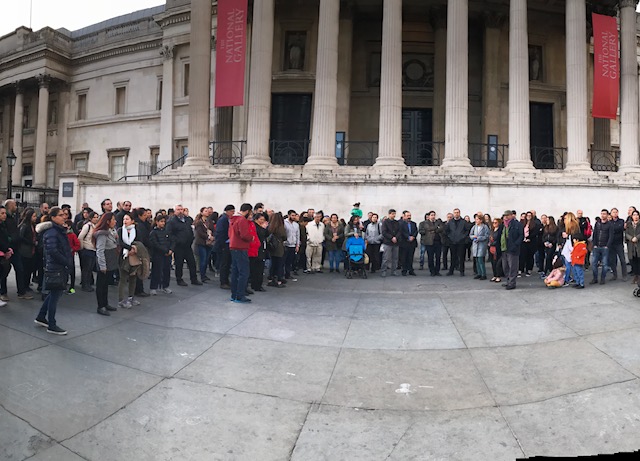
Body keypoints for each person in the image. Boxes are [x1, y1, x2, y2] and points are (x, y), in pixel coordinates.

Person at [34, 207, 73, 335]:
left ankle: (41, 316)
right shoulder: (52, 232)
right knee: (55, 295)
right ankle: (52, 324)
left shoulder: (59, 230)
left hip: (58, 266)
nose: (64, 217)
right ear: (53, 217)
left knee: (54, 294)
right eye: (61, 215)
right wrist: (66, 261)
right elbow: (52, 251)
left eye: (64, 215)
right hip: (55, 268)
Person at [2, 199, 32, 300]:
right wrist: (10, 240)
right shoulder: (4, 220)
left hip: (15, 248)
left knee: (20, 269)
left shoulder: (13, 217)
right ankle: (3, 292)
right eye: (15, 205)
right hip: (7, 248)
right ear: (10, 206)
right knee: (4, 271)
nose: (16, 206)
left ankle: (21, 291)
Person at [167, 204, 202, 286]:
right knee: (179, 264)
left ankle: (194, 279)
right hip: (179, 246)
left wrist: (191, 238)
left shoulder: (187, 220)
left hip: (188, 245)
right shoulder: (172, 221)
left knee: (192, 263)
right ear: (175, 211)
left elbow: (190, 230)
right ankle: (179, 279)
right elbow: (169, 233)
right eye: (178, 209)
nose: (180, 211)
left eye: (181, 209)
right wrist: (176, 241)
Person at [229, 203, 254, 303]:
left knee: (235, 272)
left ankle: (234, 294)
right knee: (244, 272)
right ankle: (240, 295)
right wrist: (251, 237)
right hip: (241, 247)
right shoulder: (242, 220)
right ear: (247, 211)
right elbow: (244, 235)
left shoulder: (234, 219)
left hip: (233, 246)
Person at [117, 213, 140, 308]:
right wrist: (130, 248)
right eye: (124, 219)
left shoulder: (136, 230)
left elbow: (139, 242)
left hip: (134, 256)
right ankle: (121, 299)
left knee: (133, 278)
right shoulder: (120, 230)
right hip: (123, 256)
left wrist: (134, 249)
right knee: (123, 278)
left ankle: (131, 297)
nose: (125, 221)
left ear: (132, 220)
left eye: (127, 219)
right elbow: (120, 242)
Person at [149, 214, 173, 295]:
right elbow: (155, 244)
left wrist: (171, 250)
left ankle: (165, 286)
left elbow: (172, 241)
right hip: (158, 255)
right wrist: (165, 250)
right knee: (156, 271)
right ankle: (153, 287)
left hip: (167, 255)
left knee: (166, 271)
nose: (163, 223)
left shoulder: (166, 232)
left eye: (164, 222)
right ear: (157, 222)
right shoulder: (153, 232)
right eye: (161, 221)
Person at [561, 212, 586, 289]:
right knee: (573, 266)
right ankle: (577, 281)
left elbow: (577, 236)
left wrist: (568, 236)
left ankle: (579, 282)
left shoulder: (574, 226)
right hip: (571, 246)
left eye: (565, 218)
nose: (564, 220)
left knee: (575, 266)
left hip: (574, 247)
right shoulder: (571, 226)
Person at [500, 210, 524, 290]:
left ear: (511, 216)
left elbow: (521, 236)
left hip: (513, 249)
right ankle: (508, 281)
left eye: (507, 215)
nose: (506, 217)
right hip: (504, 248)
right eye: (505, 216)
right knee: (505, 266)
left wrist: (515, 245)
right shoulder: (503, 225)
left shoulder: (517, 224)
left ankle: (512, 283)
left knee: (513, 267)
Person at [590, 209, 613, 285]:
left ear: (607, 215)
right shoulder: (598, 223)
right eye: (602, 214)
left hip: (605, 247)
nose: (603, 215)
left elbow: (611, 236)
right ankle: (595, 278)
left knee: (605, 264)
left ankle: (602, 278)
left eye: (604, 214)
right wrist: (594, 244)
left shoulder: (610, 224)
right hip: (597, 247)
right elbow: (595, 234)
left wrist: (607, 246)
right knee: (593, 263)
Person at [214, 205, 235, 289]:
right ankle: (223, 282)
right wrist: (222, 244)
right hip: (223, 244)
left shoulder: (228, 219)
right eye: (232, 211)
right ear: (228, 211)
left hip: (228, 244)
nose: (233, 213)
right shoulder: (223, 220)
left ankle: (226, 280)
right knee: (224, 264)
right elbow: (220, 233)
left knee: (227, 263)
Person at [18, 208, 38, 294]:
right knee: (25, 269)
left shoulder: (32, 225)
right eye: (33, 216)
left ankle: (27, 284)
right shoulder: (25, 226)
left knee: (29, 268)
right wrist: (31, 243)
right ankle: (24, 285)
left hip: (31, 250)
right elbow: (21, 237)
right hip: (25, 250)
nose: (35, 218)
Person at [78, 211, 99, 292]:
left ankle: (88, 283)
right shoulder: (87, 226)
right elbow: (80, 237)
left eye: (97, 217)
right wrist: (82, 247)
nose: (96, 219)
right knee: (86, 268)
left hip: (94, 249)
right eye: (94, 217)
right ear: (90, 218)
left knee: (90, 268)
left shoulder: (96, 226)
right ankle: (85, 284)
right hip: (87, 249)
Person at [445, 208, 469, 276]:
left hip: (461, 242)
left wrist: (463, 237)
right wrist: (450, 237)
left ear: (459, 213)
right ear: (453, 213)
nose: (456, 214)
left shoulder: (464, 222)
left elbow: (467, 231)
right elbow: (447, 231)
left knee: (461, 257)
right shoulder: (450, 222)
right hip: (452, 242)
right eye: (455, 212)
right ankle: (451, 271)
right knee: (453, 257)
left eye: (457, 212)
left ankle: (462, 271)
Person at [419, 211, 444, 276]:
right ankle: (432, 271)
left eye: (434, 215)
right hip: (429, 242)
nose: (433, 216)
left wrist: (431, 230)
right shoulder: (424, 223)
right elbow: (421, 231)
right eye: (431, 215)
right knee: (430, 257)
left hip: (438, 242)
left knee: (438, 257)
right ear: (429, 216)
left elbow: (441, 228)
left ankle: (437, 271)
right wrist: (434, 229)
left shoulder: (438, 222)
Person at [194, 209, 215, 283]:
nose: (207, 212)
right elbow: (199, 233)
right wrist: (208, 236)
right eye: (205, 211)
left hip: (209, 243)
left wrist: (212, 236)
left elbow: (213, 229)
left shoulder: (209, 221)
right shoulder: (199, 222)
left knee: (206, 259)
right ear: (201, 212)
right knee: (203, 259)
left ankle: (204, 274)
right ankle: (202, 276)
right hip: (201, 243)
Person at [249, 212, 268, 292]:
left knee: (259, 268)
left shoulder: (260, 226)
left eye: (263, 220)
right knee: (256, 269)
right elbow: (260, 235)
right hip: (256, 249)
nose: (262, 221)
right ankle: (256, 285)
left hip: (261, 249)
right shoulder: (255, 226)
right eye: (261, 219)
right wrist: (263, 228)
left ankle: (257, 284)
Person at [267, 212, 287, 287]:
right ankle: (279, 280)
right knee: (279, 264)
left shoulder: (270, 227)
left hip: (272, 247)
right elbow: (284, 237)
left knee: (272, 264)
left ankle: (271, 279)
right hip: (279, 247)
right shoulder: (280, 227)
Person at [609, 208, 628, 281]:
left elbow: (620, 228)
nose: (615, 213)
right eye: (613, 212)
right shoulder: (609, 222)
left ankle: (624, 275)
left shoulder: (621, 221)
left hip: (619, 243)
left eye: (616, 212)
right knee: (612, 260)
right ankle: (614, 275)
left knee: (622, 260)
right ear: (611, 213)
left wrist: (615, 229)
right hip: (611, 243)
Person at [380, 209, 400, 277]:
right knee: (386, 258)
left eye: (394, 214)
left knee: (395, 258)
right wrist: (391, 237)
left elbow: (399, 231)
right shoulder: (385, 222)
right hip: (387, 242)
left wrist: (396, 237)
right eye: (392, 214)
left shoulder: (396, 222)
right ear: (389, 214)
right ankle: (383, 271)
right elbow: (384, 232)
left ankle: (394, 271)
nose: (394, 215)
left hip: (396, 242)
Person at [469, 214, 489, 280]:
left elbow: (486, 236)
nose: (476, 220)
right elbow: (470, 235)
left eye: (477, 219)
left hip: (481, 245)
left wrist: (479, 238)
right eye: (476, 219)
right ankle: (479, 273)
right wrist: (473, 237)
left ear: (481, 220)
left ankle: (483, 274)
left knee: (480, 260)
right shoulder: (474, 227)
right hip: (475, 245)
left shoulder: (485, 227)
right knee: (476, 260)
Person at [399, 211, 418, 276]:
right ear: (404, 216)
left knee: (410, 257)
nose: (409, 217)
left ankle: (411, 270)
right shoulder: (401, 224)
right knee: (404, 257)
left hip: (412, 243)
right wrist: (408, 237)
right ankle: (404, 270)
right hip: (404, 243)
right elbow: (401, 232)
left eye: (409, 215)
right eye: (407, 216)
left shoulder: (413, 223)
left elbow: (416, 231)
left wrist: (413, 237)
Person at [65, 220, 81, 294]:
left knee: (71, 271)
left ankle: (72, 287)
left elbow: (77, 244)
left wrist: (72, 249)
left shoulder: (72, 235)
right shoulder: (62, 234)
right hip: (65, 254)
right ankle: (64, 286)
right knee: (65, 271)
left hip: (70, 255)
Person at [283, 210, 300, 280]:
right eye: (292, 215)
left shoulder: (296, 225)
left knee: (289, 261)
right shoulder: (284, 223)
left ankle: (288, 274)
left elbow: (297, 235)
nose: (293, 217)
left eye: (294, 216)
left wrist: (297, 245)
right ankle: (281, 274)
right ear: (289, 215)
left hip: (293, 245)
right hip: (286, 244)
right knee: (283, 260)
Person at [626, 210, 640, 284]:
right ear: (632, 216)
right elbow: (626, 233)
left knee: (639, 260)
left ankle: (639, 276)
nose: (636, 216)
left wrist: (637, 238)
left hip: (638, 244)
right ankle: (636, 275)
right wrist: (631, 238)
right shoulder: (629, 224)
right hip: (631, 245)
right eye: (634, 215)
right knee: (633, 260)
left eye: (637, 215)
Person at [488, 217, 503, 283]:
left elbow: (499, 240)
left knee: (497, 263)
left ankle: (498, 276)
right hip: (491, 247)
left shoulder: (500, 231)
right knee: (492, 262)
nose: (494, 224)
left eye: (495, 222)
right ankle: (494, 275)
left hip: (497, 247)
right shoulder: (492, 230)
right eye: (493, 222)